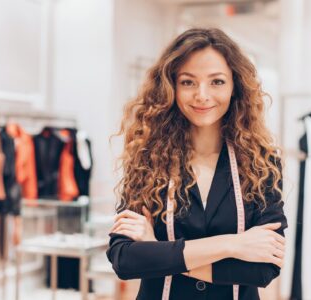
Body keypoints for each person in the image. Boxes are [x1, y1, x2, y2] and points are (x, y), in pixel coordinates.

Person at [107, 28, 287, 300]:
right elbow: (125, 260)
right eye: (188, 82)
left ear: (234, 87)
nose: (202, 95)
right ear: (171, 87)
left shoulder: (261, 162)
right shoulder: (148, 158)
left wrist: (158, 250)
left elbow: (263, 269)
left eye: (216, 82)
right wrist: (234, 245)